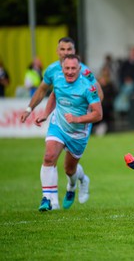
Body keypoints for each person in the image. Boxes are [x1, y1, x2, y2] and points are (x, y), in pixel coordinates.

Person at [20, 37, 103, 210]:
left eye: (69, 49)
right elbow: (50, 93)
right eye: (63, 49)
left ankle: (76, 183)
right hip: (58, 124)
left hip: (78, 130)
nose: (66, 52)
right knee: (49, 156)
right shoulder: (54, 72)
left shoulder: (86, 78)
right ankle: (49, 200)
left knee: (69, 169)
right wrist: (38, 112)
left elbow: (99, 104)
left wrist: (80, 115)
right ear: (58, 52)